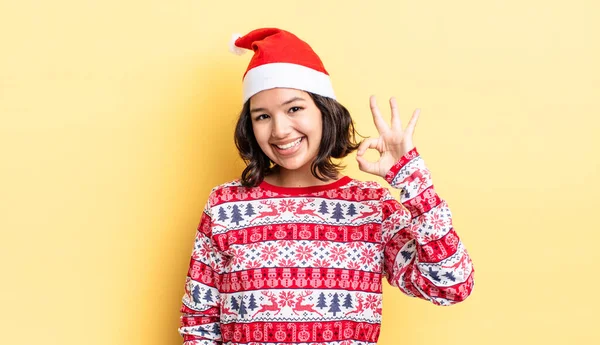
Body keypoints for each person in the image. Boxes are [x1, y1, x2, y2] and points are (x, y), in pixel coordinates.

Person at [178, 28, 474, 345]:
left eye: (294, 108)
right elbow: (199, 325)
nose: (279, 130)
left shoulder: (371, 207)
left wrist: (412, 179)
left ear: (324, 109)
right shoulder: (225, 205)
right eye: (262, 116)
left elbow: (450, 285)